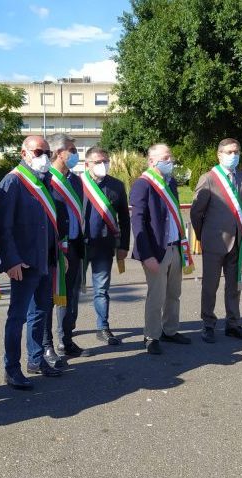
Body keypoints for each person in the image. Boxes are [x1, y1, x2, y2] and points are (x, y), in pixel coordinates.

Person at [0, 135, 65, 389]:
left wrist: (58, 255)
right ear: (23, 153)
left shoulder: (46, 181)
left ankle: (36, 360)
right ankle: (11, 368)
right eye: (38, 152)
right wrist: (11, 260)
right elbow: (3, 228)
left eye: (47, 152)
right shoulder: (13, 182)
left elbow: (51, 224)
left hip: (46, 260)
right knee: (17, 318)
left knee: (39, 314)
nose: (43, 156)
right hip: (23, 263)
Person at [130, 143, 194, 354]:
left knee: (174, 293)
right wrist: (146, 255)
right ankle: (151, 335)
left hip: (175, 247)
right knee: (156, 295)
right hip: (156, 251)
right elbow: (138, 222)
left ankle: (170, 330)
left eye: (170, 157)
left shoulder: (171, 182)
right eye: (165, 158)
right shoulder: (143, 184)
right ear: (151, 161)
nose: (170, 161)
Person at [190, 138, 242, 343]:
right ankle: (208, 324)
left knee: (235, 285)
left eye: (236, 151)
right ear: (219, 155)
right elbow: (196, 213)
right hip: (214, 241)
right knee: (210, 286)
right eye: (228, 152)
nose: (233, 155)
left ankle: (233, 324)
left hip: (238, 241)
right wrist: (203, 236)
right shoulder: (208, 178)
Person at [44, 133, 88, 366]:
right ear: (60, 153)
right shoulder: (45, 179)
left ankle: (66, 339)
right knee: (49, 299)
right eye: (72, 149)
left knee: (69, 297)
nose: (75, 154)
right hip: (53, 249)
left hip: (74, 246)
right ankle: (46, 345)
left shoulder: (76, 180)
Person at [81, 146, 131, 346]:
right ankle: (66, 332)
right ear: (87, 164)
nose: (103, 165)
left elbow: (125, 218)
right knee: (70, 290)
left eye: (105, 161)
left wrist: (124, 245)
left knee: (101, 290)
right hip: (79, 246)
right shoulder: (77, 184)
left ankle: (103, 327)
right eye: (98, 162)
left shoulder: (117, 185)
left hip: (104, 245)